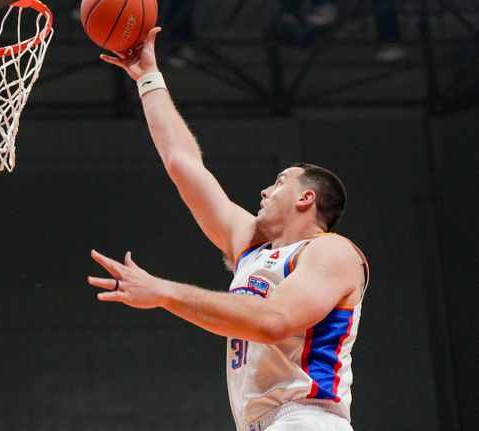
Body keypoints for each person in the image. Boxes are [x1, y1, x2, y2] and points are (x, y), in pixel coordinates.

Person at [88, 27, 369, 431]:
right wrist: (148, 77)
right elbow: (183, 164)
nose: (264, 191)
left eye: (279, 182)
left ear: (306, 198)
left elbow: (274, 321)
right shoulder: (252, 247)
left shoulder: (332, 251)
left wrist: (164, 292)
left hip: (307, 418)